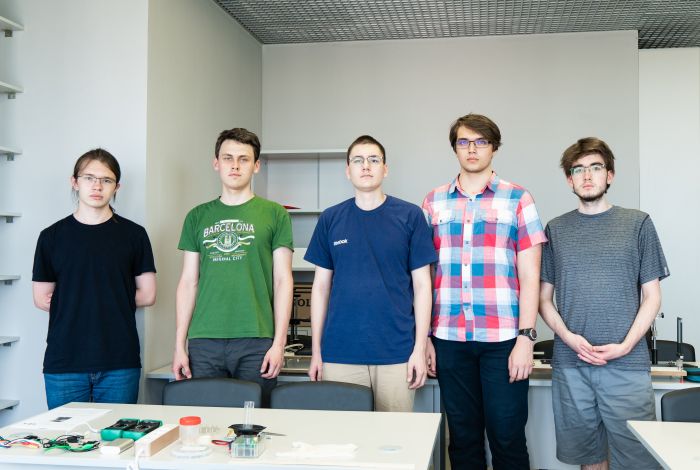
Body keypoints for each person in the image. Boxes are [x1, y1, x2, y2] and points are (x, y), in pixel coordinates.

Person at [422, 114, 546, 469]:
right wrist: (425, 338)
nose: (472, 149)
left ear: (494, 147)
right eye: (464, 142)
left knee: (507, 438)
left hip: (503, 340)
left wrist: (526, 338)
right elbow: (425, 276)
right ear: (455, 148)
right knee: (463, 440)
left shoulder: (518, 199)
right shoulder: (433, 202)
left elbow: (531, 275)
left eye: (481, 142)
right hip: (448, 339)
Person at [539, 137, 669, 470]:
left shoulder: (638, 224)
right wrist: (569, 338)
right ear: (569, 179)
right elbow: (543, 299)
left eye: (595, 167)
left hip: (627, 365)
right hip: (572, 365)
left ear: (609, 175)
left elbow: (652, 296)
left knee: (638, 461)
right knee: (589, 460)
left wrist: (625, 346)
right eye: (578, 169)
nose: (587, 176)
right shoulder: (555, 229)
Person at [304, 135, 436, 412]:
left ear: (385, 169)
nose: (366, 166)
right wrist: (316, 351)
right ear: (348, 170)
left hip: (397, 352)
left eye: (374, 160)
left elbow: (423, 287)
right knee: (344, 436)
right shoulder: (330, 218)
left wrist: (419, 348)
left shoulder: (410, 216)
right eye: (358, 160)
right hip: (339, 353)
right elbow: (320, 288)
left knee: (394, 435)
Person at [172, 128, 293, 403]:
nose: (235, 166)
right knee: (206, 422)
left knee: (254, 422)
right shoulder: (196, 216)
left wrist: (279, 343)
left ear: (256, 165)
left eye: (244, 159)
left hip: (257, 338)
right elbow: (188, 282)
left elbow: (283, 281)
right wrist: (179, 345)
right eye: (228, 158)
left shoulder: (275, 214)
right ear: (216, 163)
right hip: (204, 340)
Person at [32, 148, 156, 409]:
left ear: (116, 187)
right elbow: (42, 299)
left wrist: (82, 297)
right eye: (89, 178)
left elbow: (148, 294)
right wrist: (104, 295)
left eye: (106, 180)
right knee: (63, 434)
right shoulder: (51, 237)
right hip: (64, 361)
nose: (97, 186)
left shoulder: (134, 235)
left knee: (117, 435)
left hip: (119, 361)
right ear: (75, 182)